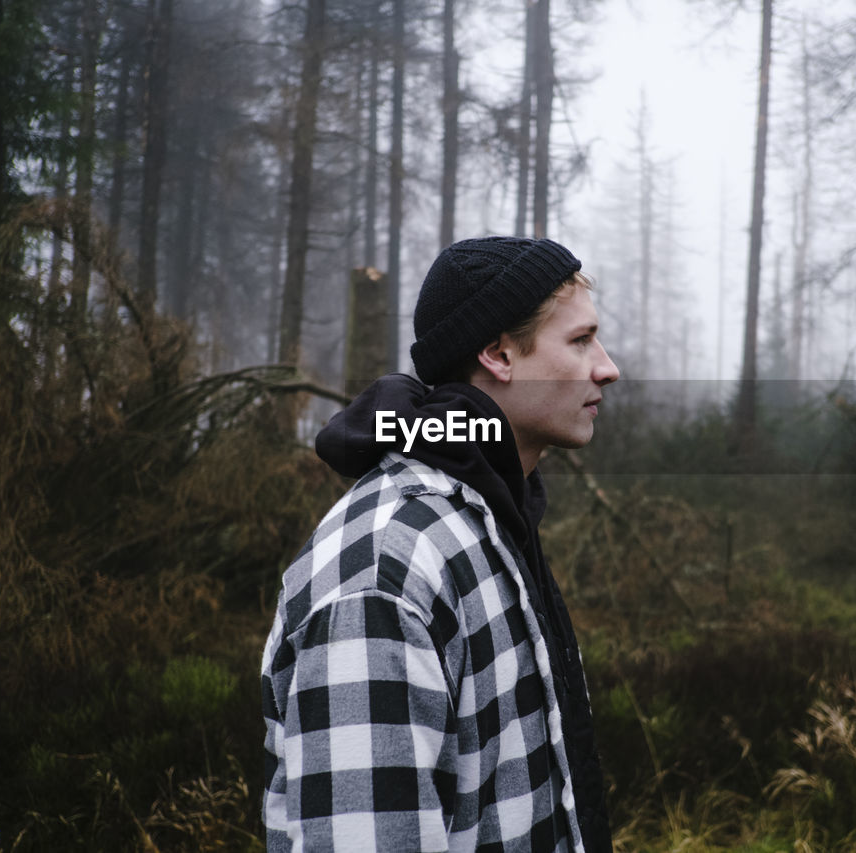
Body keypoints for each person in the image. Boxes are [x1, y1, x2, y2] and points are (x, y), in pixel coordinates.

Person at [261, 236, 619, 852]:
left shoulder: (494, 523)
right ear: (498, 354)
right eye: (581, 341)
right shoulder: (383, 570)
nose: (607, 367)